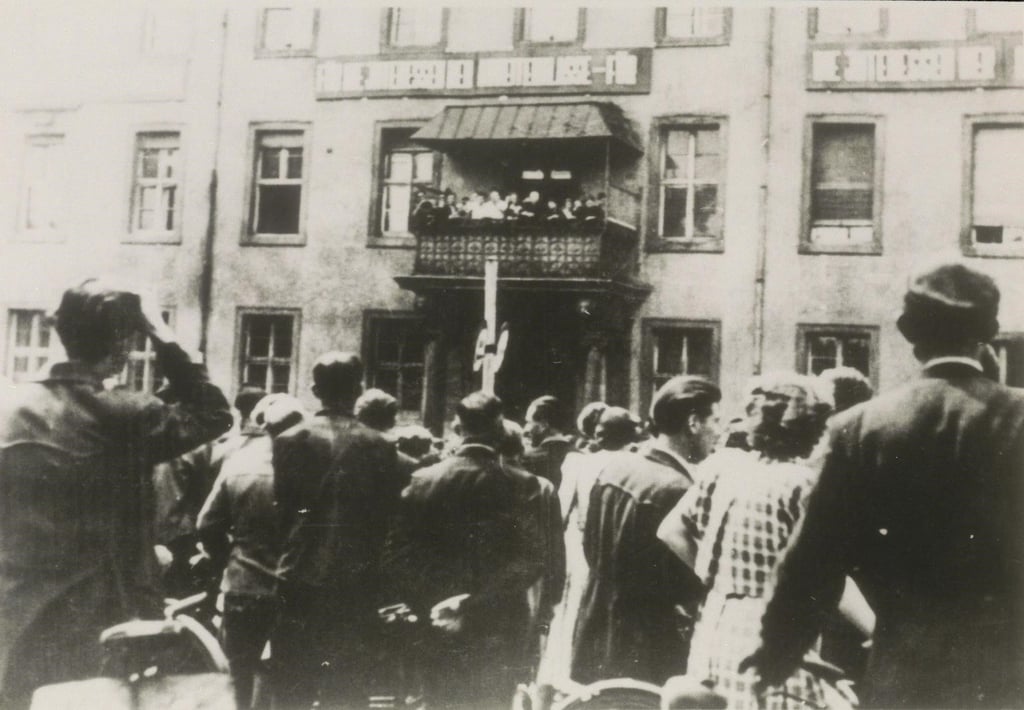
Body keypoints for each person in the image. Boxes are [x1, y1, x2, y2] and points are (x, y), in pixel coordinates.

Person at [744, 261, 1024, 708]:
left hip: (905, 674)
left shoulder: (860, 427)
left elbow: (814, 557)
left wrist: (777, 653)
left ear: (909, 332)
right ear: (988, 332)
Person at [0, 279, 232, 708]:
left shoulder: (10, 408)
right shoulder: (125, 413)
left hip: (15, 616)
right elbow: (214, 413)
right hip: (103, 620)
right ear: (123, 341)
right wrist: (160, 332)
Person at [657, 373, 842, 709]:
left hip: (715, 623)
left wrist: (716, 579)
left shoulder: (723, 467)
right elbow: (828, 573)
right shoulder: (801, 484)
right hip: (771, 626)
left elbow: (671, 530)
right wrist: (875, 627)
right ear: (811, 429)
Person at [384, 392, 551, 709]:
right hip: (497, 621)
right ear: (499, 431)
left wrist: (434, 600)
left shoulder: (423, 480)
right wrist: (471, 603)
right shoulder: (521, 483)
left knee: (438, 700)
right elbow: (532, 559)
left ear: (457, 428)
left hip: (434, 620)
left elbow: (397, 554)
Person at [271, 352, 405, 708]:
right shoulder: (380, 445)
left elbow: (284, 512)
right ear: (357, 390)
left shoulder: (288, 440)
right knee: (347, 687)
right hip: (355, 580)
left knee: (291, 686)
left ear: (316, 390)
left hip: (299, 575)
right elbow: (384, 519)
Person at [572, 376, 721, 685]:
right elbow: (683, 584)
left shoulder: (616, 468)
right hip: (645, 647)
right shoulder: (678, 489)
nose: (718, 432)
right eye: (715, 421)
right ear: (693, 423)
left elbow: (589, 546)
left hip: (595, 629)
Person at [196, 392, 304, 710]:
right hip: (295, 588)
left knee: (237, 675)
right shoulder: (314, 471)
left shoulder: (239, 464)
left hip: (244, 584)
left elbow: (207, 524)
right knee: (291, 678)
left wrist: (229, 557)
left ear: (263, 426)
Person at [537, 406, 641, 696]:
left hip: (580, 547)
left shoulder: (579, 463)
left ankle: (561, 677)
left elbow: (560, 512)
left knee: (571, 612)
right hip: (617, 552)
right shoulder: (636, 465)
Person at [154, 384, 268, 597]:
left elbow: (169, 504)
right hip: (205, 538)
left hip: (186, 538)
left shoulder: (191, 446)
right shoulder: (205, 444)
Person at [522, 395, 574, 488]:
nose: (525, 429)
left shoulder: (527, 458)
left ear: (544, 425)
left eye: (529, 422)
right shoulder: (580, 455)